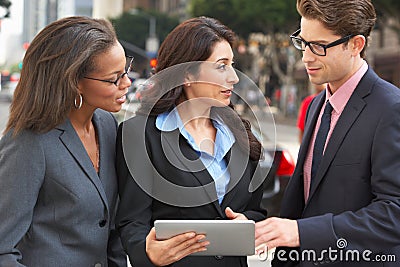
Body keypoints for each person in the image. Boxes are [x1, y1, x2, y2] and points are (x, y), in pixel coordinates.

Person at [255, 0, 400, 266]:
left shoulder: (391, 108)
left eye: (319, 46)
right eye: (303, 42)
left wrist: (301, 232)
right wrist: (259, 228)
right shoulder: (317, 106)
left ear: (356, 45)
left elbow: (394, 215)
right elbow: (309, 199)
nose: (306, 57)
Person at [116, 16, 267, 267]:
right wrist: (147, 253)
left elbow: (256, 211)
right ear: (187, 74)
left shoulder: (239, 133)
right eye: (221, 66)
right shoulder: (140, 135)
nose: (234, 77)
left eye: (233, 65)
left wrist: (248, 224)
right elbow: (132, 221)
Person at [0, 16, 130, 266]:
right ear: (74, 82)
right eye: (114, 78)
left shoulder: (107, 126)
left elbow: (111, 224)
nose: (127, 83)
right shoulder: (29, 143)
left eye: (125, 71)